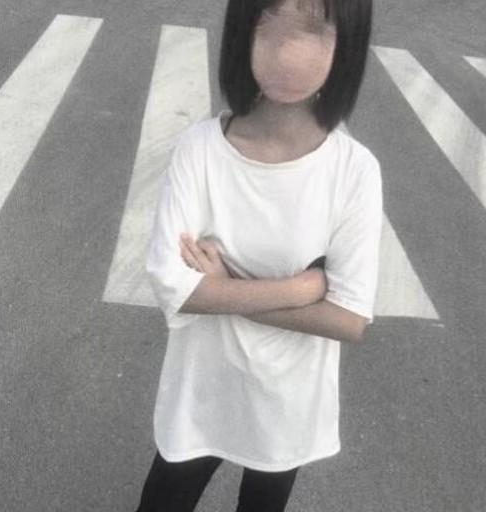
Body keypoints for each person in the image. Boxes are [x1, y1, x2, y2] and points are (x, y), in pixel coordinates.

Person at [137, 0, 383, 510]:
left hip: (287, 404)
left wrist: (224, 287)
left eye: (315, 26)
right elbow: (171, 282)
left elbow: (349, 318)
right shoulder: (200, 149)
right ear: (242, 30)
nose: (287, 48)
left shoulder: (353, 170)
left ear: (346, 42)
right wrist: (301, 288)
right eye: (266, 18)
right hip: (203, 391)